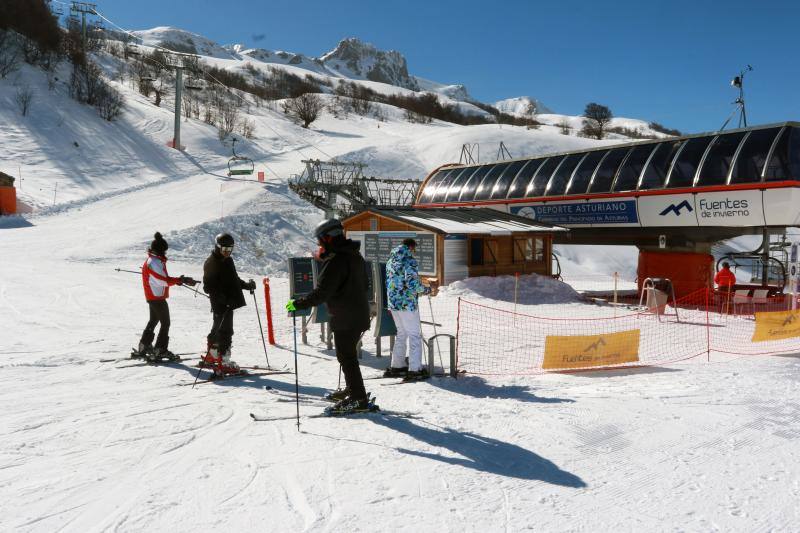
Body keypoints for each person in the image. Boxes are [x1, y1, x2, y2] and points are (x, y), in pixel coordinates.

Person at [285, 219, 372, 413]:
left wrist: (298, 303)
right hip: (358, 315)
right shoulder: (355, 256)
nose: (319, 245)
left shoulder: (336, 261)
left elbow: (321, 293)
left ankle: (358, 397)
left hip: (345, 317)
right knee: (347, 355)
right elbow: (365, 285)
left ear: (328, 238)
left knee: (347, 357)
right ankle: (353, 390)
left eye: (320, 241)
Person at [136, 232, 197, 362]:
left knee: (153, 321)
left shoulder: (153, 260)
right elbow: (163, 281)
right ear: (160, 250)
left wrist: (180, 280)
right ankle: (160, 349)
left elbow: (163, 280)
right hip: (156, 297)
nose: (165, 253)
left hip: (153, 296)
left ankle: (144, 346)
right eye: (164, 251)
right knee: (166, 323)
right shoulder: (155, 262)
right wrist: (181, 280)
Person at [202, 232, 256, 375]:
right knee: (225, 331)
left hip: (228, 302)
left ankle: (212, 355)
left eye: (229, 250)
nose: (227, 252)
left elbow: (234, 279)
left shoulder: (228, 260)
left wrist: (246, 285)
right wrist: (223, 299)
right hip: (221, 303)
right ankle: (224, 361)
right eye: (224, 250)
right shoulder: (211, 262)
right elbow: (208, 287)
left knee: (218, 328)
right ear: (217, 247)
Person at [383, 238, 433, 380]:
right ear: (411, 247)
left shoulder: (390, 261)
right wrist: (426, 290)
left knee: (401, 333)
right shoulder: (409, 260)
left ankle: (397, 366)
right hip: (407, 304)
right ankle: (415, 368)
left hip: (393, 303)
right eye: (414, 249)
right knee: (414, 335)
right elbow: (412, 284)